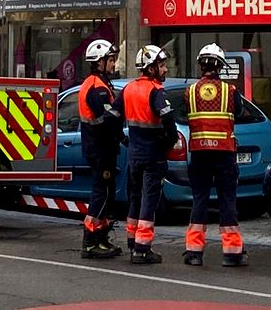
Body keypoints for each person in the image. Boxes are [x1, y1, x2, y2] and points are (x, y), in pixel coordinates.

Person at [106, 44, 177, 264]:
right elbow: (168, 121)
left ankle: (132, 239)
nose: (165, 70)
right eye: (162, 65)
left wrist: (123, 138)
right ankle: (142, 248)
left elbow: (112, 118)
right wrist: (168, 141)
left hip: (134, 154)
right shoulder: (155, 91)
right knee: (150, 200)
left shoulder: (128, 89)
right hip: (153, 154)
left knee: (135, 197)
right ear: (151, 68)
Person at [182, 43, 248, 267]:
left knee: (199, 200)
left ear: (201, 65)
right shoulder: (230, 92)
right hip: (224, 155)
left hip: (199, 154)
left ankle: (194, 252)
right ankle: (232, 253)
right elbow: (238, 113)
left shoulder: (189, 92)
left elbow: (185, 114)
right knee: (227, 201)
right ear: (220, 66)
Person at [78, 39, 122, 259]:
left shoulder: (99, 84)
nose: (113, 64)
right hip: (100, 147)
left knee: (106, 194)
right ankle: (90, 241)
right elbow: (107, 119)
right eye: (111, 60)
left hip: (100, 146)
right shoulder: (97, 87)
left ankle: (102, 239)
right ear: (99, 62)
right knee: (101, 194)